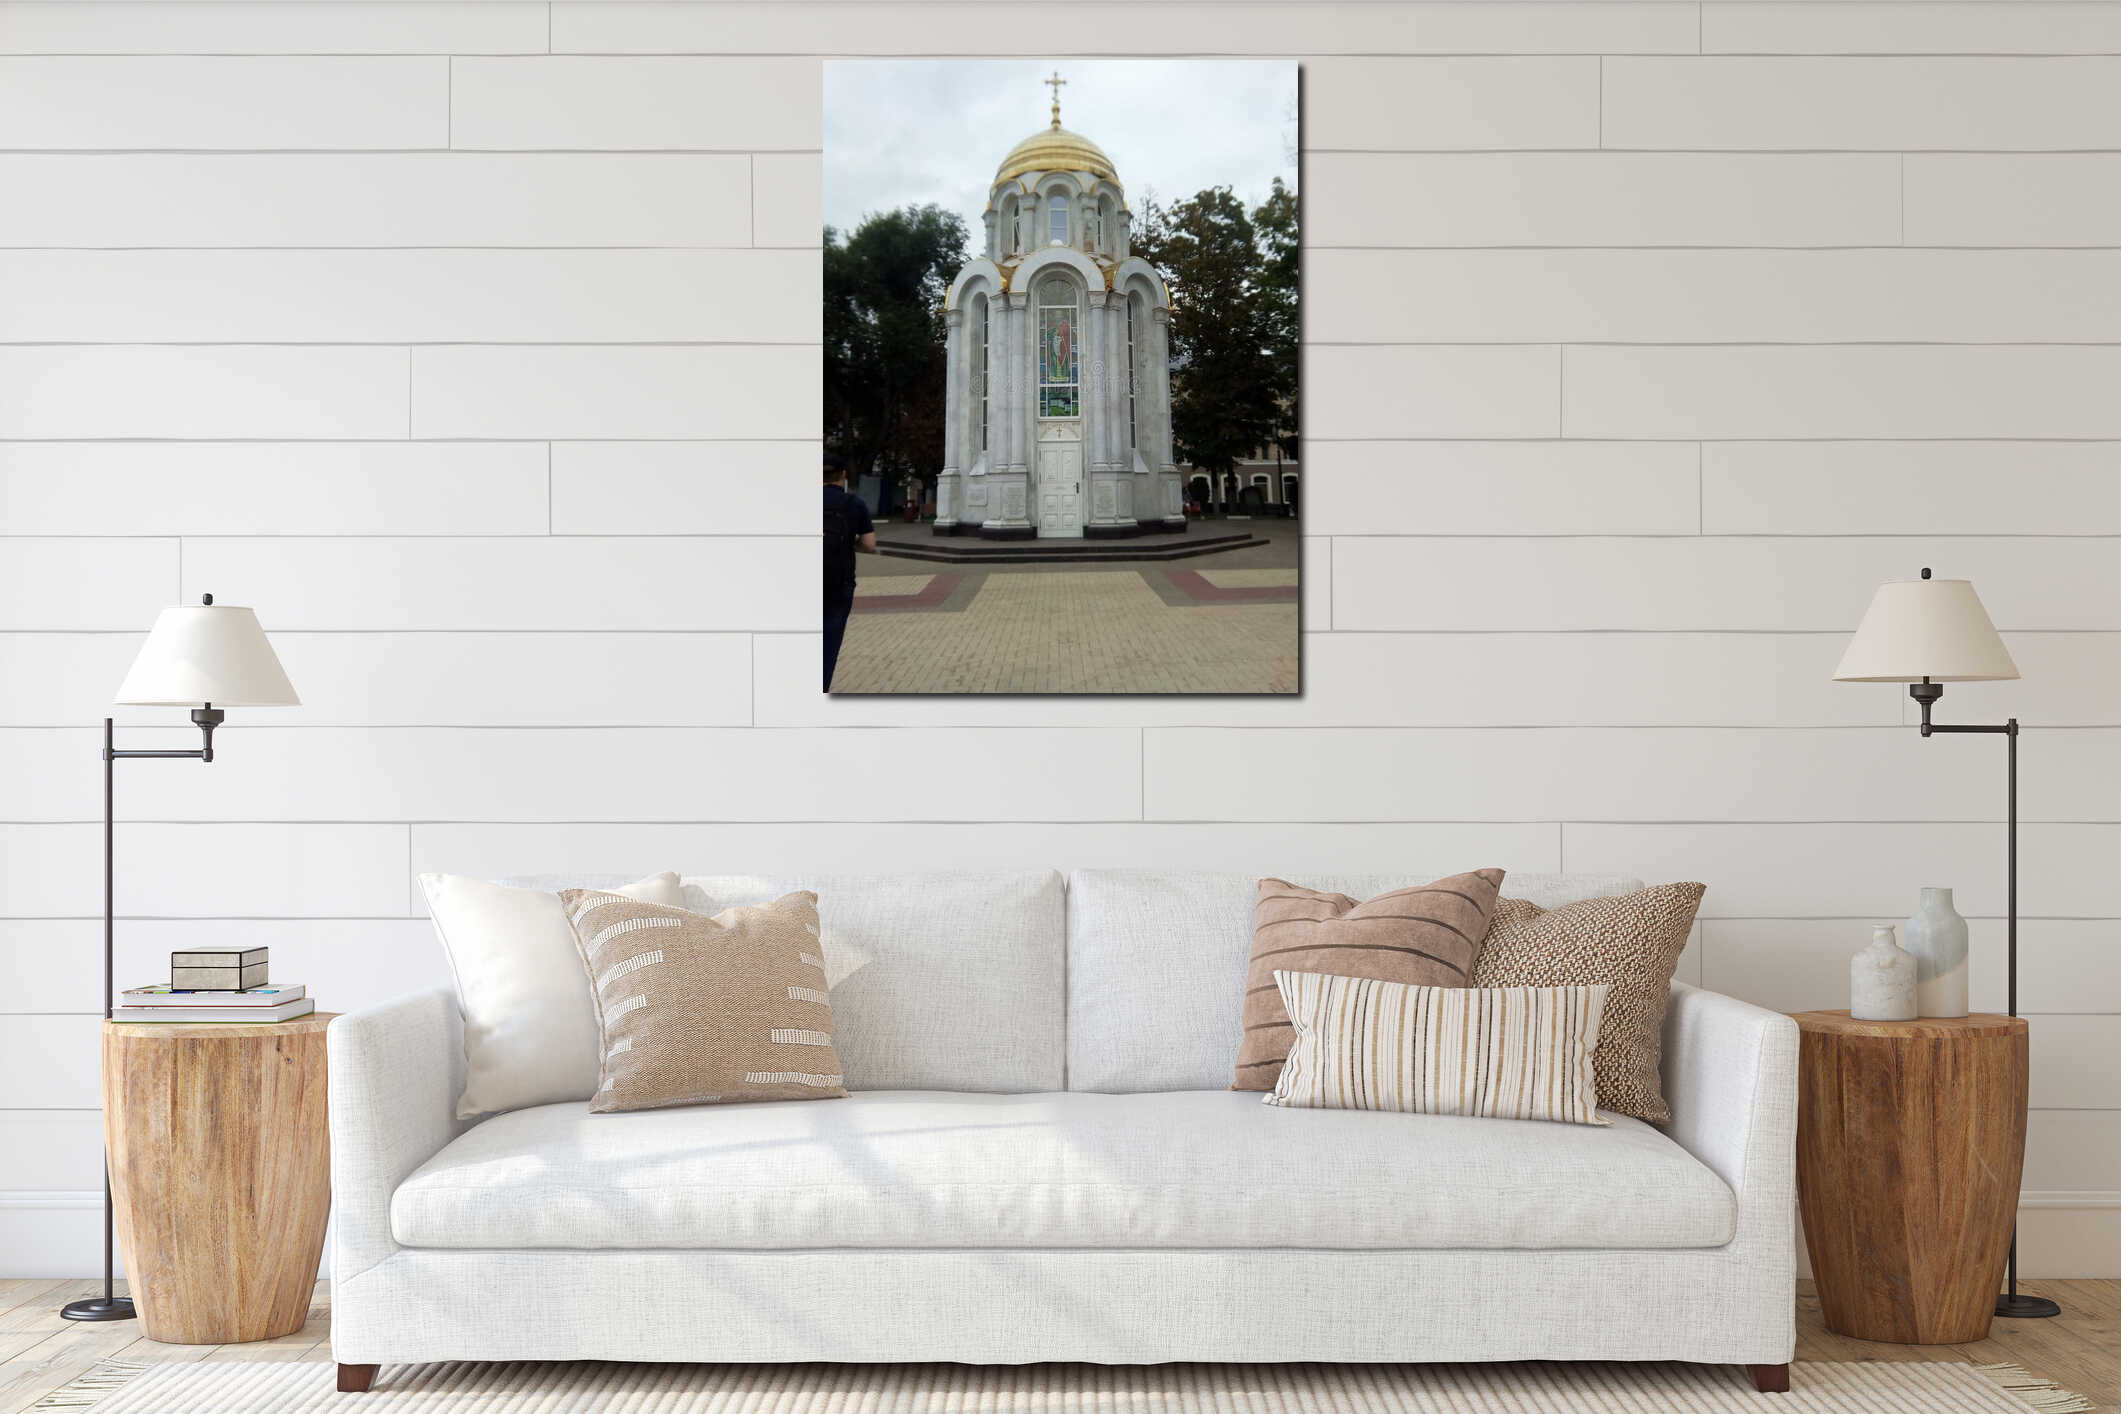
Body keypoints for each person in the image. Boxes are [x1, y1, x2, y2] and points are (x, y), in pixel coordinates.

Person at [821, 452, 876, 691]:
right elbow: (869, 544)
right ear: (843, 475)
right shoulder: (854, 504)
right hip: (840, 582)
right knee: (829, 642)